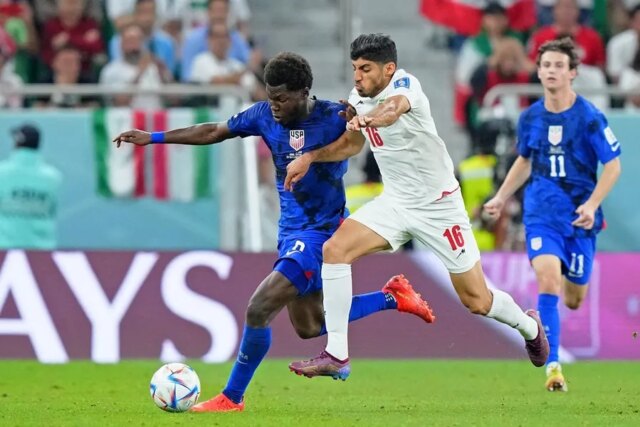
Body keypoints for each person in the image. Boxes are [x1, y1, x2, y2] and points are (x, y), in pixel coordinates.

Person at [113, 52, 435, 412]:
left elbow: (358, 142)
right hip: (290, 232)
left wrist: (352, 125)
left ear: (304, 93)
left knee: (259, 307)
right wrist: (154, 137)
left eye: (281, 98)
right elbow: (214, 131)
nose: (275, 105)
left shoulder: (334, 117)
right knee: (310, 325)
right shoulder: (263, 115)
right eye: (270, 97)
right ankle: (392, 297)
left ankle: (231, 397)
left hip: (322, 232)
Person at [284, 33, 549, 380]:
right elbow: (351, 145)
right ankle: (337, 355)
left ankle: (529, 327)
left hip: (439, 208)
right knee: (335, 250)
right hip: (395, 203)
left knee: (477, 300)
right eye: (354, 68)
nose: (357, 76)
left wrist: (369, 118)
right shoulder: (358, 97)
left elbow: (392, 110)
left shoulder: (406, 86)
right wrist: (310, 157)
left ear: (388, 69)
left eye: (365, 69)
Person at [484, 38, 622, 392]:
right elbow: (525, 160)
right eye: (546, 65)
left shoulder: (589, 117)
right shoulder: (530, 117)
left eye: (559, 65)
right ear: (539, 71)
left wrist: (592, 204)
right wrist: (501, 197)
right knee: (548, 280)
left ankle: (556, 344)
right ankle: (553, 367)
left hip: (579, 217)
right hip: (541, 213)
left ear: (572, 72)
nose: (551, 71)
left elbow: (613, 166)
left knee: (574, 299)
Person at [0, 124, 63, 249]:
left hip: (4, 250)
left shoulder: (2, 172)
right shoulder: (54, 177)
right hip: (42, 251)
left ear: (16, 142)